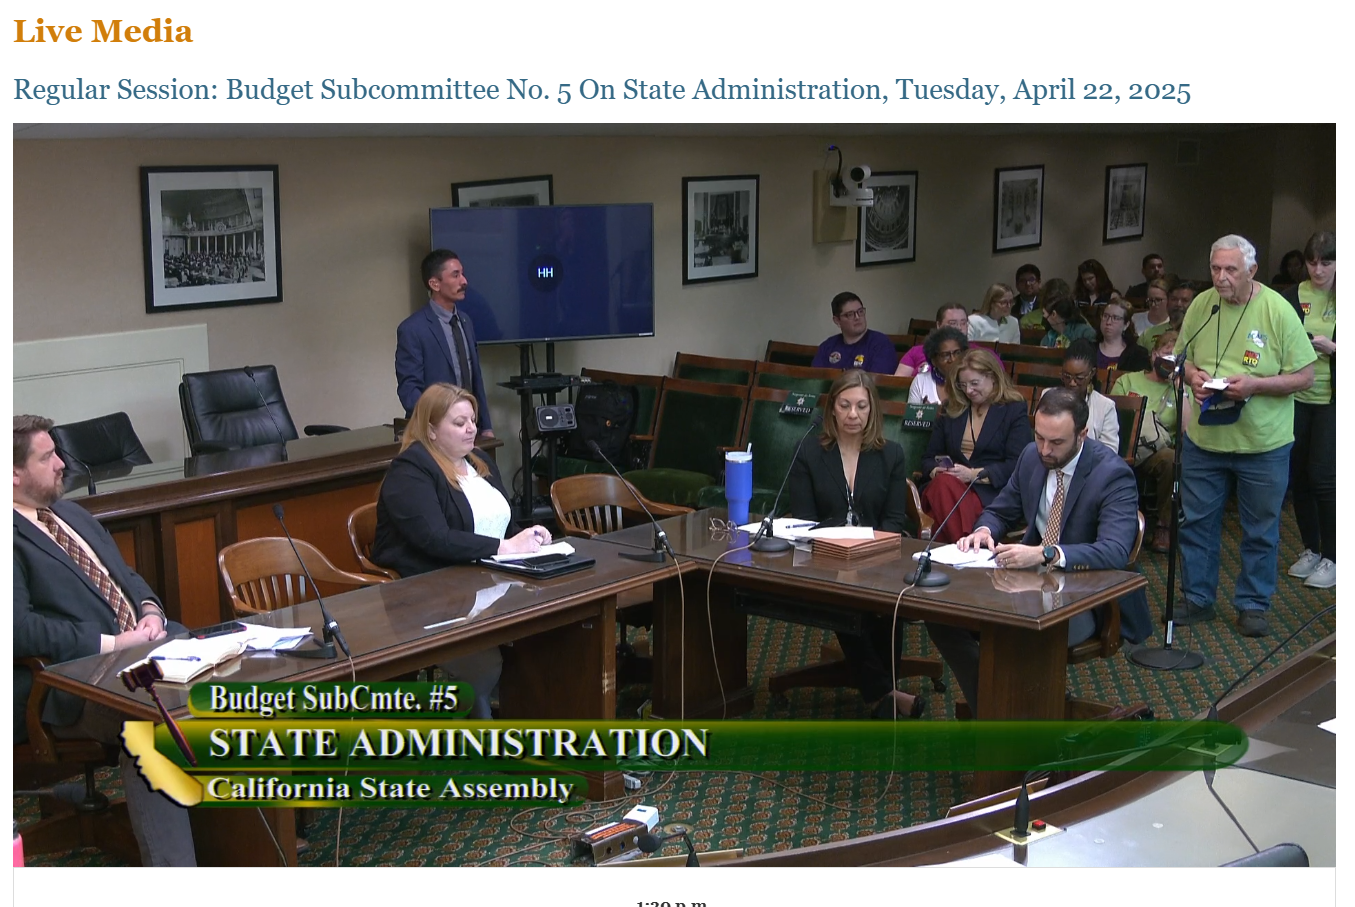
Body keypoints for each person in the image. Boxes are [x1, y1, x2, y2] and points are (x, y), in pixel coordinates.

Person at [13, 414, 197, 867]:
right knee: (153, 722)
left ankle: (252, 835)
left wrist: (151, 609)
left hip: (140, 650)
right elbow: (18, 629)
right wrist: (112, 643)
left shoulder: (69, 513)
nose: (62, 463)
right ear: (12, 474)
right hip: (70, 683)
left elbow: (125, 576)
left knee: (229, 677)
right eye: (48, 456)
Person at [924, 388, 1153, 713]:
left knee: (1011, 630)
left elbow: (1114, 551)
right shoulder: (1032, 456)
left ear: (1082, 434)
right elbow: (1001, 510)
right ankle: (995, 710)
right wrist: (984, 530)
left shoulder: (1112, 474)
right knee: (942, 616)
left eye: (1056, 442)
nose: (1045, 449)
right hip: (1023, 583)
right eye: (1040, 437)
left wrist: (1048, 554)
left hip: (1082, 599)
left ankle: (1007, 713)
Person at [371, 384, 552, 715]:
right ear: (431, 429)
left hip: (491, 581)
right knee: (484, 666)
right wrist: (505, 546)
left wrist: (527, 535)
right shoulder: (411, 471)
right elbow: (435, 538)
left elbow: (500, 521)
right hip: (432, 596)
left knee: (551, 626)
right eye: (459, 422)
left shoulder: (479, 460)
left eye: (473, 419)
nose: (472, 428)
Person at [1171, 234, 1316, 638]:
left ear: (1251, 271)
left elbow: (1306, 376)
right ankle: (1197, 598)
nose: (1220, 277)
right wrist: (1193, 376)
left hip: (1262, 444)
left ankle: (1253, 604)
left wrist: (1254, 385)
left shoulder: (1277, 309)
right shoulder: (1202, 305)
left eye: (1230, 270)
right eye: (1215, 269)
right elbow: (1182, 361)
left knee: (1260, 529)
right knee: (1196, 523)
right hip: (1205, 438)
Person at [787, 369, 922, 719]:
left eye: (861, 406)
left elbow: (894, 520)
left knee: (884, 600)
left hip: (877, 555)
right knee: (845, 597)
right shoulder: (809, 452)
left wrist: (868, 551)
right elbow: (803, 520)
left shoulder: (891, 454)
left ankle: (882, 693)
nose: (852, 414)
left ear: (872, 410)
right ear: (832, 408)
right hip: (824, 557)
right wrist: (840, 548)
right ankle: (887, 694)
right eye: (845, 405)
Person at [919, 349, 1033, 544]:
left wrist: (973, 475)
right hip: (947, 489)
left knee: (941, 498)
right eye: (963, 385)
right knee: (944, 484)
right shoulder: (951, 409)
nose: (969, 390)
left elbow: (1017, 464)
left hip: (989, 493)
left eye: (974, 384)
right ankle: (966, 548)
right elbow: (928, 459)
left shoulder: (1013, 410)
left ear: (993, 377)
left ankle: (955, 547)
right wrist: (937, 471)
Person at [1282, 231, 1336, 589]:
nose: (1318, 270)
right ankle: (1311, 549)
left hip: (1332, 400)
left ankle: (1334, 556)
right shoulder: (1291, 296)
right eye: (1312, 262)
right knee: (1298, 475)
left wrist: (1334, 347)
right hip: (1297, 396)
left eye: (1326, 262)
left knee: (1322, 477)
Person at [395, 249, 495, 436]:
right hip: (434, 434)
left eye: (462, 274)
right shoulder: (413, 329)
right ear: (434, 283)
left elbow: (476, 379)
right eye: (455, 275)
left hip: (471, 429)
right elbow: (409, 389)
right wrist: (436, 424)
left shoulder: (465, 321)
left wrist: (486, 426)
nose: (464, 281)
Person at [1112, 331, 1181, 553]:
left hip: (1157, 451)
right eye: (1166, 354)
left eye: (1175, 357)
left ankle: (1164, 526)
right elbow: (1112, 414)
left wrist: (1180, 387)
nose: (1169, 361)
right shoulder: (1128, 380)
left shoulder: (1179, 389)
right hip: (1124, 445)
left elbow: (1187, 428)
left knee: (1172, 460)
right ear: (1153, 355)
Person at [810, 292, 899, 373]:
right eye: (850, 314)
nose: (857, 317)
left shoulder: (881, 343)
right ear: (837, 320)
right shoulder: (827, 346)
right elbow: (815, 381)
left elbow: (877, 384)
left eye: (860, 311)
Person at [1060, 340, 1119, 452]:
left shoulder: (1105, 406)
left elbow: (1110, 452)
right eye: (1067, 376)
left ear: (1091, 373)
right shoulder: (1049, 397)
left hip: (1093, 466)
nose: (1072, 383)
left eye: (1079, 378)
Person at [895, 303, 969, 376]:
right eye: (953, 323)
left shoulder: (976, 351)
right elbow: (897, 383)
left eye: (963, 323)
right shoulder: (916, 351)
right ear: (939, 325)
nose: (959, 327)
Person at [907, 327, 967, 405]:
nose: (953, 359)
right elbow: (911, 416)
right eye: (945, 355)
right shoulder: (921, 381)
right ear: (934, 360)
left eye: (957, 353)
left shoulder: (970, 381)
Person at [1095, 299, 1151, 374]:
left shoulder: (1138, 354)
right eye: (1105, 316)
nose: (1108, 322)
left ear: (1126, 325)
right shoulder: (1086, 349)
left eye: (1115, 318)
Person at [1140, 280, 1197, 350]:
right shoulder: (1148, 334)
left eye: (1184, 300)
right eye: (1174, 299)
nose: (1178, 304)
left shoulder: (1199, 333)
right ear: (1167, 301)